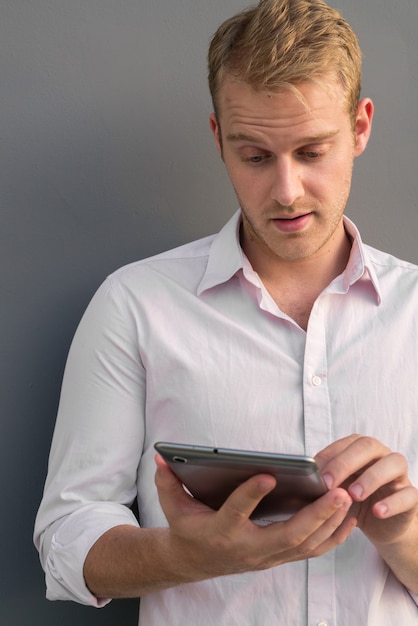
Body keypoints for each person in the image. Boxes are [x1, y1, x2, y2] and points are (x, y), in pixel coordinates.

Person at [34, 0, 418, 623]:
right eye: (256, 156)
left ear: (360, 127)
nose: (287, 191)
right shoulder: (135, 305)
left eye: (313, 151)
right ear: (218, 137)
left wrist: (402, 534)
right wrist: (191, 556)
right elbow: (65, 538)